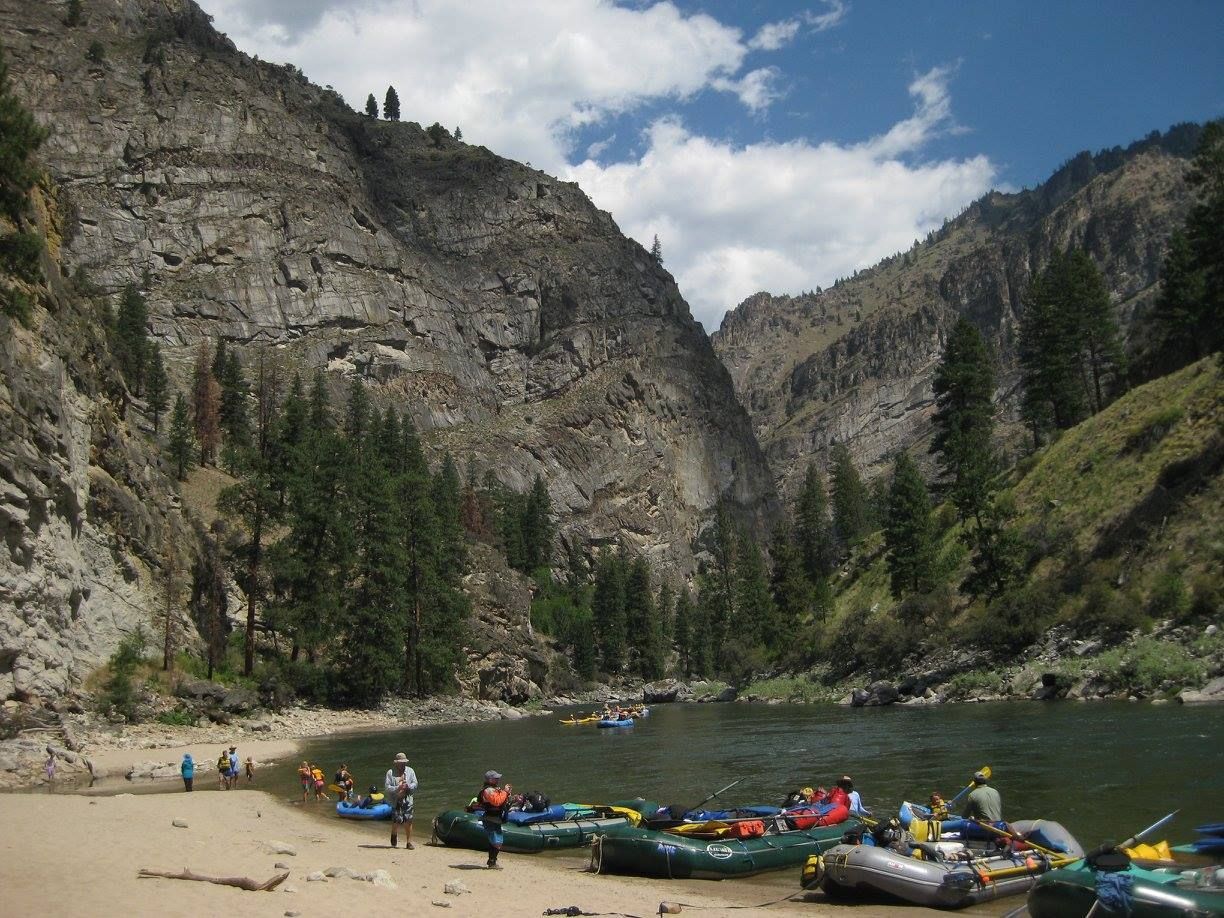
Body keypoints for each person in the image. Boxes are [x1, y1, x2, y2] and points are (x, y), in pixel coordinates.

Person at [474, 769, 512, 869]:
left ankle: (492, 861)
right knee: (497, 841)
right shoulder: (488, 790)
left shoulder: (493, 789)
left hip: (495, 818)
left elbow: (501, 800)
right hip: (491, 818)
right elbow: (497, 801)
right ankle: (492, 863)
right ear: (490, 780)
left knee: (495, 841)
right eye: (496, 778)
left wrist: (507, 794)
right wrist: (505, 792)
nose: (498, 779)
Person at [385, 752, 418, 849]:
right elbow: (387, 788)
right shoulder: (390, 773)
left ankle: (409, 842)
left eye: (404, 762)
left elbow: (415, 783)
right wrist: (397, 787)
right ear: (396, 763)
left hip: (408, 800)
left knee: (409, 820)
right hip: (396, 800)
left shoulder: (411, 771)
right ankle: (394, 834)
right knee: (397, 821)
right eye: (400, 762)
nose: (402, 764)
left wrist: (409, 786)